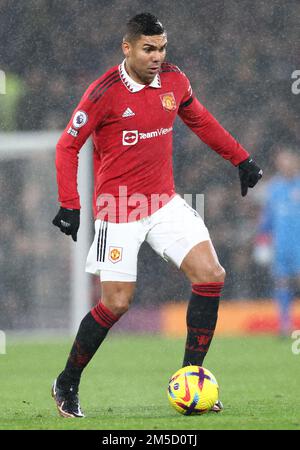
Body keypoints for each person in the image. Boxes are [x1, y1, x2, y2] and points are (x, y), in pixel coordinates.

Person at [51, 13, 262, 418]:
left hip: (164, 202)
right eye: (149, 49)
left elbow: (199, 119)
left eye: (162, 48)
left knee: (211, 274)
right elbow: (66, 147)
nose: (157, 57)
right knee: (116, 303)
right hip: (119, 209)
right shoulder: (103, 93)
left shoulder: (174, 80)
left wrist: (242, 158)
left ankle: (192, 377)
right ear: (127, 48)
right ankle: (67, 381)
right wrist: (70, 204)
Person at [255, 148, 300, 336]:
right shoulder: (274, 188)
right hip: (281, 246)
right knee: (281, 283)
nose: (285, 165)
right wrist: (262, 241)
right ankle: (284, 324)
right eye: (282, 162)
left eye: (288, 161)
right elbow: (267, 219)